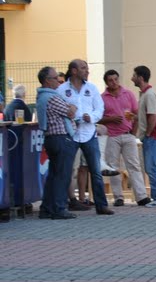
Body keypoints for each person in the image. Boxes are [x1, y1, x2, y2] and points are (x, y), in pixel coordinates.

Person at [60, 59, 114, 215]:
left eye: (87, 68)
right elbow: (59, 109)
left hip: (89, 134)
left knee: (96, 170)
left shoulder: (91, 88)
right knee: (67, 170)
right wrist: (72, 117)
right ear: (74, 71)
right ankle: (64, 204)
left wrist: (92, 117)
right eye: (83, 68)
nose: (87, 71)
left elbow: (100, 108)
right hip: (71, 135)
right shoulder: (62, 89)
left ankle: (101, 205)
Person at [99, 70, 152, 207]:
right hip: (112, 136)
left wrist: (133, 132)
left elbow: (136, 114)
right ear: (106, 82)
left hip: (128, 134)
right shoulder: (102, 97)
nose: (114, 82)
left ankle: (141, 196)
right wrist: (110, 119)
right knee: (113, 167)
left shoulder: (128, 94)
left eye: (116, 79)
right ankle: (118, 197)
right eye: (111, 80)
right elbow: (98, 118)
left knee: (134, 165)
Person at [36, 66, 78, 220]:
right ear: (47, 81)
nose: (59, 82)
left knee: (54, 175)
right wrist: (72, 107)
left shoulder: (42, 97)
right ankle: (59, 208)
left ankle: (46, 208)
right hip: (61, 138)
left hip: (52, 139)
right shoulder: (52, 97)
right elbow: (71, 112)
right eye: (55, 79)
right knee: (62, 175)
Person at [133, 65, 156, 206]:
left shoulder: (149, 94)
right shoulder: (144, 94)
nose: (132, 78)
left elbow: (152, 116)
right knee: (150, 167)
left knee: (152, 167)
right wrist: (136, 117)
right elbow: (146, 115)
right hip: (150, 136)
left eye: (134, 76)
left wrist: (148, 133)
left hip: (154, 137)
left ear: (140, 78)